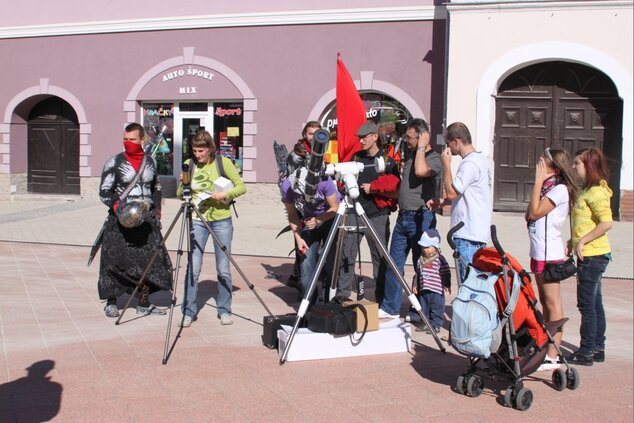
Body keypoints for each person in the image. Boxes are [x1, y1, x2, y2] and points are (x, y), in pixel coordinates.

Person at [97, 122, 173, 317]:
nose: (127, 142)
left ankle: (144, 301)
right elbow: (105, 191)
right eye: (125, 139)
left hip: (146, 220)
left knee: (149, 262)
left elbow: (156, 188)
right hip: (120, 220)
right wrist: (118, 208)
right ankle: (112, 301)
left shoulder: (151, 162)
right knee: (113, 261)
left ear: (141, 140)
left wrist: (157, 213)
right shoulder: (114, 162)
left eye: (132, 139)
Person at [177, 130, 246, 327]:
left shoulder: (222, 163)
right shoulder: (189, 166)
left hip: (221, 219)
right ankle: (188, 311)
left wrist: (223, 194)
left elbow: (241, 187)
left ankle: (224, 309)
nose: (197, 155)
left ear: (210, 149)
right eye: (194, 150)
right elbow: (180, 193)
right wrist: (183, 186)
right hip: (196, 219)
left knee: (223, 267)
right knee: (194, 266)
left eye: (200, 150)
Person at [379, 118, 442, 319]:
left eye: (410, 137)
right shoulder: (412, 155)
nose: (406, 141)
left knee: (423, 266)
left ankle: (420, 311)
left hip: (421, 218)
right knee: (394, 264)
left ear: (423, 137)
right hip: (404, 217)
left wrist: (422, 147)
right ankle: (390, 308)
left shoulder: (432, 158)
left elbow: (420, 171)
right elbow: (404, 187)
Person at [525, 148, 578, 371]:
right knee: (545, 304)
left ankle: (554, 355)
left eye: (543, 161)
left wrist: (537, 182)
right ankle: (548, 347)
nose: (539, 162)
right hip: (539, 252)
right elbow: (529, 214)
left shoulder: (559, 190)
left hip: (550, 253)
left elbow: (536, 212)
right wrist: (538, 184)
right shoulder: (548, 187)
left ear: (555, 168)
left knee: (553, 303)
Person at [336, 121, 400, 301]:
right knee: (347, 254)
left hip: (377, 216)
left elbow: (396, 190)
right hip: (353, 214)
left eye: (364, 137)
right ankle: (342, 295)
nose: (361, 141)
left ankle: (381, 298)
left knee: (380, 258)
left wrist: (374, 188)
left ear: (375, 137)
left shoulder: (387, 162)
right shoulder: (356, 158)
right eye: (360, 138)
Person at [567, 147, 613, 366]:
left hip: (593, 256)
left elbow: (606, 222)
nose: (574, 167)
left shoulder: (596, 193)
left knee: (586, 305)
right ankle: (597, 348)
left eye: (577, 163)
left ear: (589, 166)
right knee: (595, 303)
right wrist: (574, 240)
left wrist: (583, 241)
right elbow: (585, 223)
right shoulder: (586, 190)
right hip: (590, 253)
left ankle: (586, 351)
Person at [440, 121, 492, 282]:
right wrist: (441, 203)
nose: (448, 148)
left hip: (468, 233)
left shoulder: (469, 163)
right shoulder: (481, 160)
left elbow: (451, 193)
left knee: (468, 284)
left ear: (456, 141)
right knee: (476, 282)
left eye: (448, 144)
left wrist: (446, 165)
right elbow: (468, 194)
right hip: (477, 232)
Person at [280, 166, 339, 303]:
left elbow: (335, 207)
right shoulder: (287, 186)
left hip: (330, 218)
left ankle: (329, 303)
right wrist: (298, 238)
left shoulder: (324, 181)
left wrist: (319, 219)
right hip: (309, 221)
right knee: (306, 265)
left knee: (332, 264)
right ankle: (310, 307)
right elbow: (292, 215)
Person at [283, 121, 322, 291]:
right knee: (303, 243)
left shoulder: (323, 151)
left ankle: (296, 275)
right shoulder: (296, 155)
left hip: (319, 205)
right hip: (300, 205)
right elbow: (295, 182)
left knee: (313, 245)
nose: (313, 137)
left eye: (317, 133)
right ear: (304, 135)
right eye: (310, 133)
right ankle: (300, 281)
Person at [407, 229, 451, 334]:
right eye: (423, 247)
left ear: (435, 247)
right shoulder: (420, 260)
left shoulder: (440, 259)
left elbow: (446, 272)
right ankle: (425, 323)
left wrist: (447, 284)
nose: (425, 250)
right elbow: (418, 273)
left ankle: (435, 325)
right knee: (423, 308)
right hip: (424, 289)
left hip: (436, 290)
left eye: (428, 247)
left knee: (437, 308)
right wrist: (415, 285)